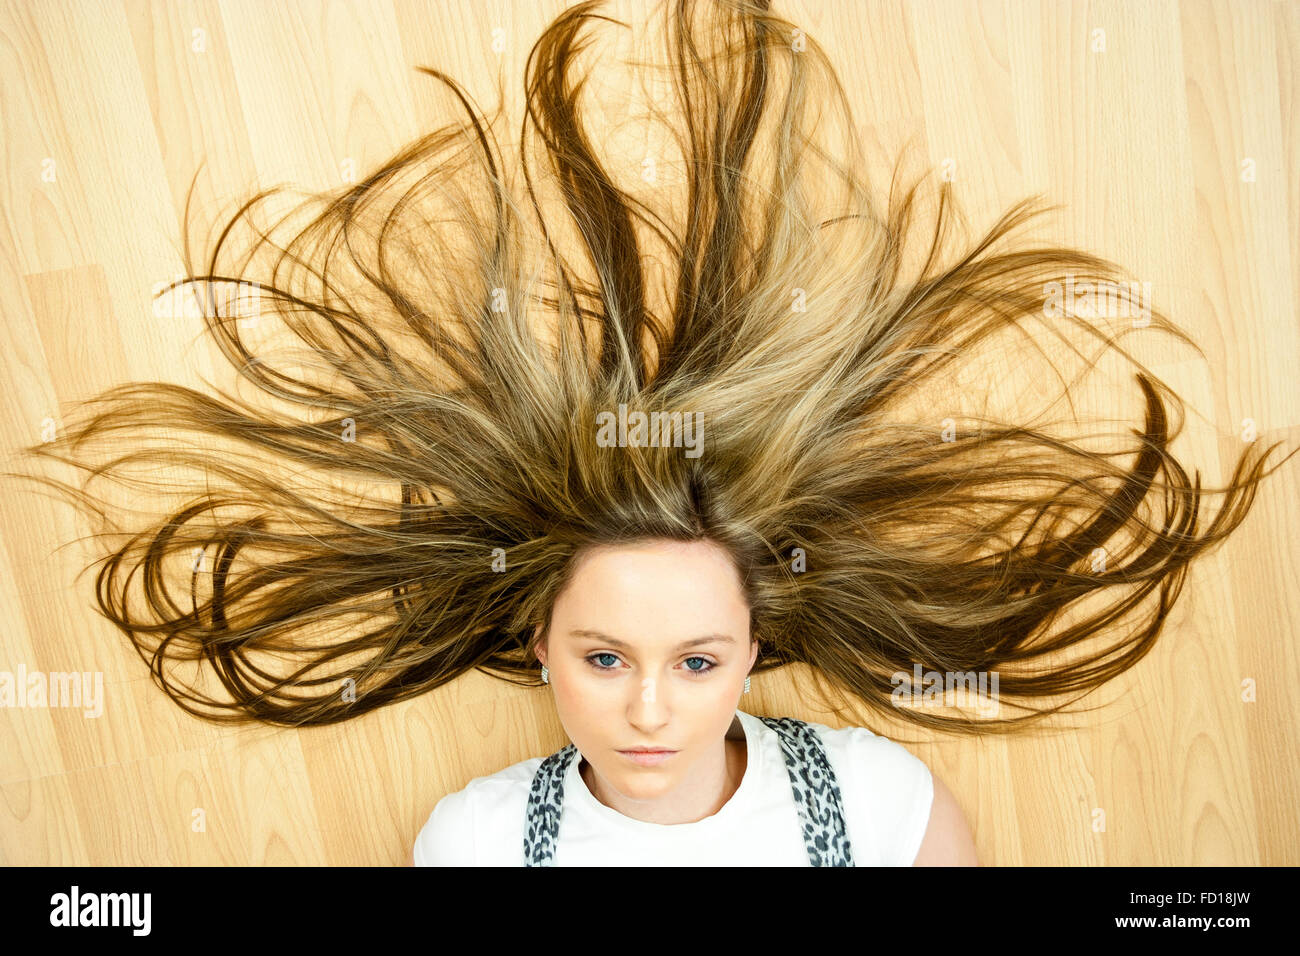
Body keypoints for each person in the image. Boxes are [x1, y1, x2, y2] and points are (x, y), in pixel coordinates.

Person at [411, 537, 975, 866]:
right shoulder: (479, 843)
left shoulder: (876, 799)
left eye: (697, 663)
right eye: (606, 659)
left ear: (750, 655)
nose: (649, 714)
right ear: (543, 646)